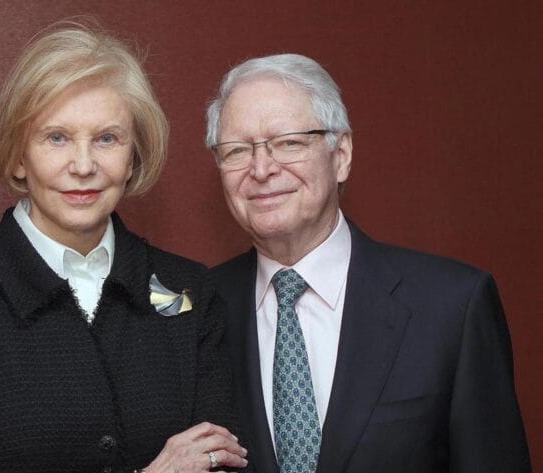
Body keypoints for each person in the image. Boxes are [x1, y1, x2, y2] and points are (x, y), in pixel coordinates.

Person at [0, 23, 249, 473]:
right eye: (57, 138)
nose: (84, 166)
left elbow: (221, 463)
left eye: (107, 138)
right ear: (17, 156)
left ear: (133, 158)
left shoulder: (192, 292)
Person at [206, 54, 531, 472]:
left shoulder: (452, 306)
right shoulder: (198, 312)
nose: (262, 168)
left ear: (340, 155)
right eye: (237, 150)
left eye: (288, 142)